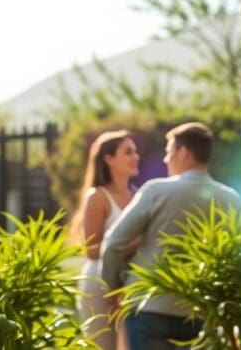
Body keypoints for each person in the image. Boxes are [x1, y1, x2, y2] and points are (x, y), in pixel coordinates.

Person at [101, 121, 241, 350]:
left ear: (183, 152)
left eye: (169, 152)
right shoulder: (231, 199)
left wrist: (111, 289)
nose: (166, 160)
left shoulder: (156, 191)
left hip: (148, 308)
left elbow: (113, 243)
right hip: (199, 311)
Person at [71, 129, 140, 350]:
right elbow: (91, 250)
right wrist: (136, 243)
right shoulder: (98, 197)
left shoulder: (138, 195)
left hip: (128, 283)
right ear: (109, 159)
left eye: (135, 151)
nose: (135, 157)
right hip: (99, 284)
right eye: (128, 152)